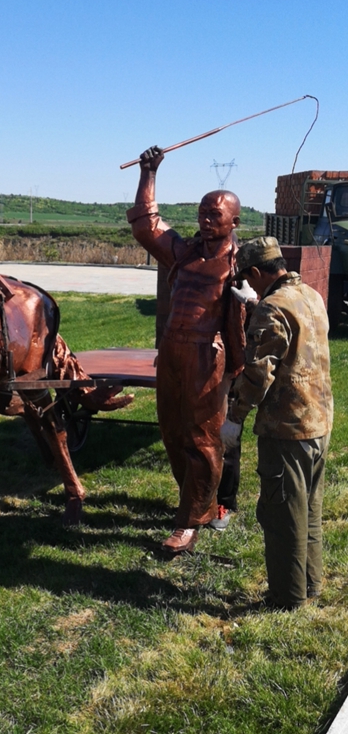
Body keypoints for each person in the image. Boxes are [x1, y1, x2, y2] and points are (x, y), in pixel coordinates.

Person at [127, 146, 246, 555]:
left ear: (235, 220)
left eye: (215, 215)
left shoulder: (237, 263)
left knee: (203, 438)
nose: (206, 220)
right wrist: (149, 173)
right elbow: (146, 226)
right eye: (202, 213)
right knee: (172, 433)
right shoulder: (186, 251)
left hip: (206, 358)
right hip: (173, 353)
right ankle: (197, 501)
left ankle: (189, 522)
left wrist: (238, 367)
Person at [222, 236, 333, 608]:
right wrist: (255, 304)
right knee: (309, 511)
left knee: (283, 513)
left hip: (286, 429)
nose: (249, 285)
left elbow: (258, 373)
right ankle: (310, 585)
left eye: (249, 279)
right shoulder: (310, 295)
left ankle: (287, 597)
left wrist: (234, 418)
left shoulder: (272, 308)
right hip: (319, 423)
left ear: (256, 272)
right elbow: (293, 334)